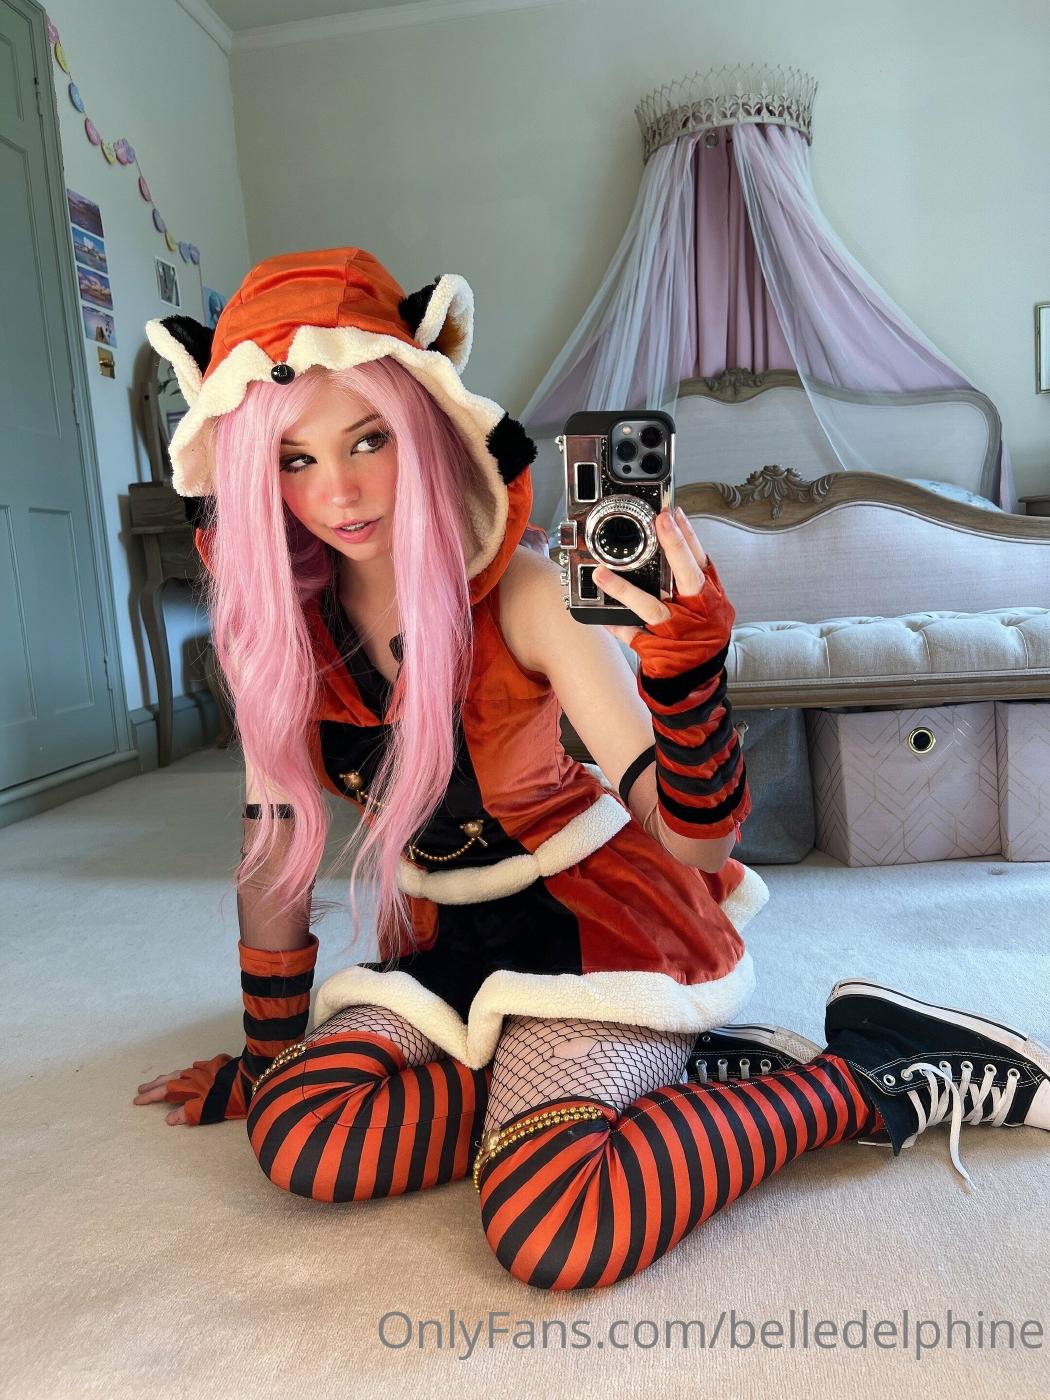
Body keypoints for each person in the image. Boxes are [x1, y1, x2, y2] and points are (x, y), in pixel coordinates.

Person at [133, 248, 1050, 1292]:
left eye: (368, 438)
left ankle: (872, 1074)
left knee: (554, 1223)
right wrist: (264, 1061)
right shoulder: (279, 639)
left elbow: (695, 841)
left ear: (425, 427)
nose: (336, 491)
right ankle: (627, 1077)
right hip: (450, 932)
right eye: (293, 458)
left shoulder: (524, 593)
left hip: (597, 908)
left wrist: (686, 677)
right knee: (300, 1131)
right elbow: (274, 862)